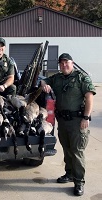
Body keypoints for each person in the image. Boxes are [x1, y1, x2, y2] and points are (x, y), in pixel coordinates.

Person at [40, 53, 96, 196]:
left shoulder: (81, 77)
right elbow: (44, 80)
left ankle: (79, 182)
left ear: (72, 63)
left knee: (77, 152)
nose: (64, 65)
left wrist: (86, 117)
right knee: (67, 149)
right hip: (63, 121)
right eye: (61, 63)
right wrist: (44, 84)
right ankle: (69, 174)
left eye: (66, 62)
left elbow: (89, 96)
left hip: (78, 121)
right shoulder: (58, 78)